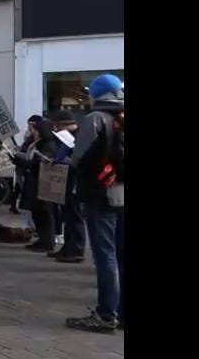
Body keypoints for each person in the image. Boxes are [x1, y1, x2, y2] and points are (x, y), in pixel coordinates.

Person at [66, 74, 124, 333]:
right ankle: (120, 313)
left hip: (100, 193)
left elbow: (78, 158)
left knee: (105, 255)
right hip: (122, 191)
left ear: (97, 94)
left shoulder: (94, 119)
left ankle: (105, 314)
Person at [12, 120, 58, 253]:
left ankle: (47, 241)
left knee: (44, 213)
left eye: (35, 130)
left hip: (43, 181)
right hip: (33, 179)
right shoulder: (37, 143)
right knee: (36, 212)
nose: (33, 132)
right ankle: (42, 240)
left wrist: (20, 162)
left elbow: (37, 163)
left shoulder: (48, 144)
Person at [48, 110, 86, 264]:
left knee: (75, 215)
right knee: (68, 215)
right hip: (66, 178)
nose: (56, 129)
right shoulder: (65, 138)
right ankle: (68, 247)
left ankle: (77, 249)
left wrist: (65, 161)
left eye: (58, 126)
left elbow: (80, 158)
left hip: (75, 180)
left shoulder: (79, 137)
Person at [10, 115, 43, 215]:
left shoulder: (39, 139)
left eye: (31, 125)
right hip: (23, 165)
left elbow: (31, 157)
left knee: (23, 186)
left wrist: (19, 155)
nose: (29, 127)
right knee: (19, 185)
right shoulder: (29, 135)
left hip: (29, 167)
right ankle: (14, 205)